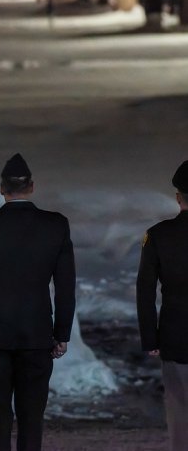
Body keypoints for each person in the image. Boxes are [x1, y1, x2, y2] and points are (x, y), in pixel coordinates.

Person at [0, 153, 76, 451]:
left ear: (1, 189)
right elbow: (65, 286)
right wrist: (62, 334)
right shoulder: (55, 225)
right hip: (37, 333)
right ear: (32, 187)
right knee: (32, 416)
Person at [137, 160, 188, 451]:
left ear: (178, 197)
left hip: (176, 336)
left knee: (180, 415)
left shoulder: (158, 236)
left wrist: (150, 337)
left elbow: (145, 291)